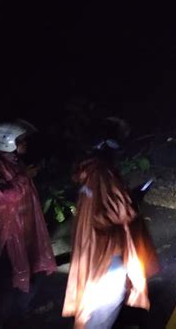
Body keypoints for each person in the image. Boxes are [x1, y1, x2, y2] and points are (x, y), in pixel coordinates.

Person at [62, 138, 159, 329]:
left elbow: (103, 204)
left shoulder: (90, 171)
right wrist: (131, 201)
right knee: (106, 298)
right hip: (106, 246)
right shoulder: (102, 174)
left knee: (104, 293)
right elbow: (112, 213)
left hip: (92, 242)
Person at [0, 121, 57, 328]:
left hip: (24, 233)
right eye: (21, 140)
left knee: (32, 275)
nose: (25, 144)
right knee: (6, 284)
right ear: (8, 143)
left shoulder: (16, 164)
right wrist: (24, 178)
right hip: (5, 238)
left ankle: (18, 318)